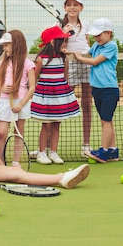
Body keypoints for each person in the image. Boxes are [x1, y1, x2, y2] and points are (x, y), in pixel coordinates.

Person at [67, 18, 119, 163]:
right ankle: (113, 151)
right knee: (105, 121)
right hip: (97, 88)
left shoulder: (111, 46)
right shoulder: (96, 45)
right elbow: (86, 53)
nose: (96, 38)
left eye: (99, 35)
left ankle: (103, 151)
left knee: (106, 121)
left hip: (109, 89)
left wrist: (78, 57)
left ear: (109, 33)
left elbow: (95, 61)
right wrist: (70, 51)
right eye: (95, 35)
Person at [30, 26, 81, 165]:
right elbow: (34, 77)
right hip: (46, 96)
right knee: (46, 124)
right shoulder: (41, 59)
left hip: (59, 95)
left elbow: (65, 78)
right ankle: (41, 153)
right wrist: (32, 93)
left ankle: (53, 152)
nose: (65, 44)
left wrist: (66, 94)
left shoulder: (64, 59)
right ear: (53, 42)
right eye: (63, 41)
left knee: (57, 124)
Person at [0, 30, 36, 164]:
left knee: (19, 132)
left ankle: (16, 162)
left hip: (20, 102)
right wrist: (1, 87)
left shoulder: (28, 64)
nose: (4, 48)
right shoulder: (3, 62)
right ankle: (0, 161)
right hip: (5, 101)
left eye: (7, 45)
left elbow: (32, 87)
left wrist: (21, 104)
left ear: (16, 44)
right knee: (2, 132)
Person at [59, 0, 93, 157]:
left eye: (76, 4)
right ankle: (49, 147)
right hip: (70, 63)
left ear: (81, 8)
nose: (72, 7)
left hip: (86, 61)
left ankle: (86, 145)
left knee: (87, 104)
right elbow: (56, 45)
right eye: (69, 5)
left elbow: (86, 42)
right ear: (65, 8)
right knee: (61, 103)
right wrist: (63, 35)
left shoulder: (86, 24)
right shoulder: (59, 24)